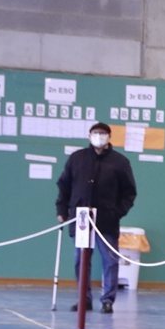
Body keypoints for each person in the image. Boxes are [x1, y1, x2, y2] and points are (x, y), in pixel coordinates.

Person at [56, 122, 137, 314]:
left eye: (102, 133)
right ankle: (84, 299)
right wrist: (62, 210)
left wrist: (117, 212)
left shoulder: (120, 161)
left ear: (109, 136)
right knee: (81, 261)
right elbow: (64, 186)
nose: (99, 136)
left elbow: (129, 192)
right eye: (95, 133)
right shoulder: (77, 158)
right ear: (89, 135)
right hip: (81, 220)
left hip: (107, 220)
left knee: (110, 261)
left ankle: (108, 300)